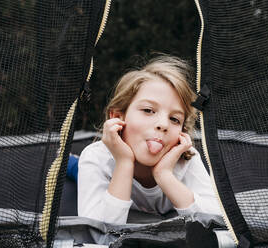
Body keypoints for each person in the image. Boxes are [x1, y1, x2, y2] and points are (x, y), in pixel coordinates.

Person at [78, 55, 221, 224]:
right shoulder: (97, 157)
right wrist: (124, 163)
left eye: (174, 119)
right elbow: (95, 232)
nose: (163, 124)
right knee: (72, 169)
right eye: (148, 110)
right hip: (106, 163)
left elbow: (216, 221)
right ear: (118, 116)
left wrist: (164, 175)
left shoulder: (185, 158)